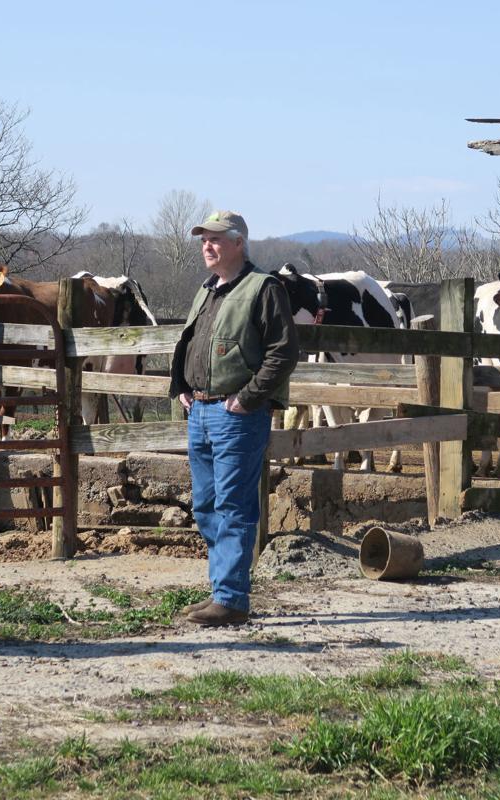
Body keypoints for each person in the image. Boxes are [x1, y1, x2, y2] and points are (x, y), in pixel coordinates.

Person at [169, 211, 299, 626]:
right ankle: (220, 592)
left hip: (235, 415)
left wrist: (247, 399)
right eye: (204, 240)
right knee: (206, 504)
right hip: (201, 411)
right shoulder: (206, 291)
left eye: (216, 239)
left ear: (239, 242)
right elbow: (188, 344)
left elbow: (283, 352)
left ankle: (231, 598)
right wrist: (181, 389)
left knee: (233, 504)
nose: (207, 246)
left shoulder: (264, 288)